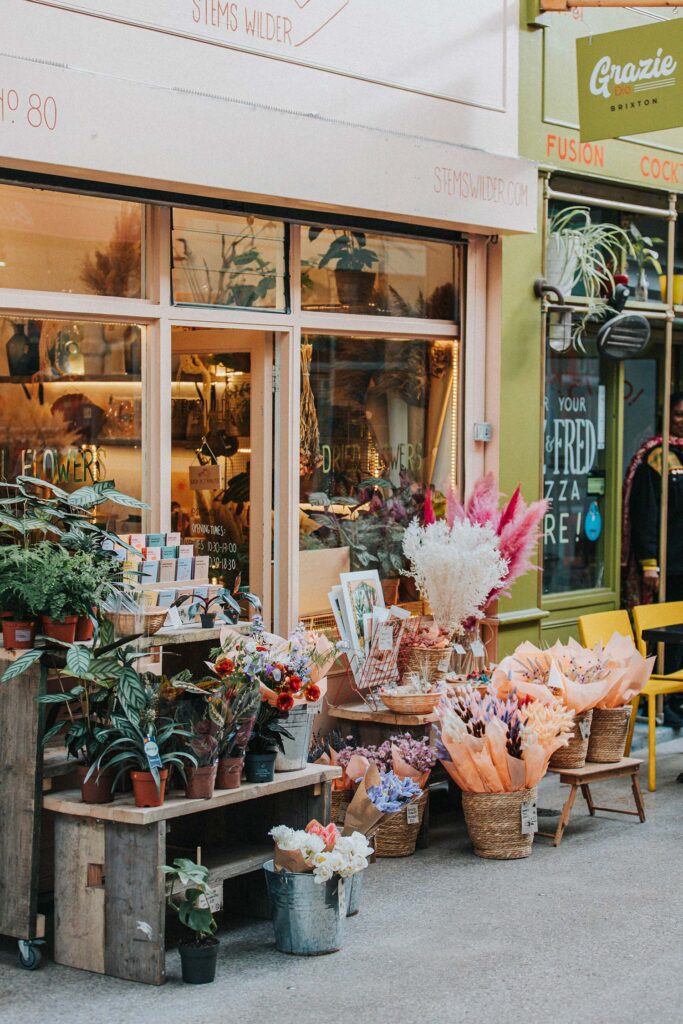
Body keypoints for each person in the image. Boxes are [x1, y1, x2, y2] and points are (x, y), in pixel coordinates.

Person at [622, 391, 683, 725]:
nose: (682, 420)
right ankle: (665, 701)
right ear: (666, 416)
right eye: (678, 414)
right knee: (669, 634)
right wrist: (649, 562)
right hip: (668, 561)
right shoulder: (657, 457)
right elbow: (647, 513)